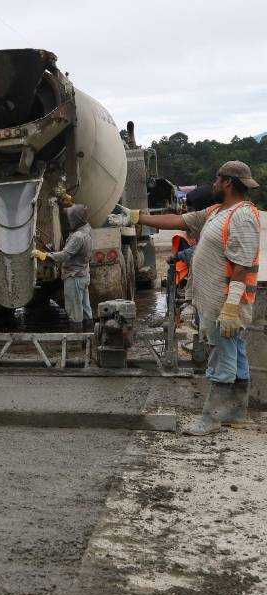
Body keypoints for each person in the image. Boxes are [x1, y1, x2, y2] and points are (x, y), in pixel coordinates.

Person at [108, 160, 261, 436]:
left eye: (217, 179)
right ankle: (237, 413)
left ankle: (211, 419)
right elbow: (178, 220)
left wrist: (230, 307)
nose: (213, 184)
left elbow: (242, 265)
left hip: (225, 303)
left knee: (222, 358)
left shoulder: (242, 216)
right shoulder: (217, 212)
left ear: (228, 182)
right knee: (235, 355)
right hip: (219, 302)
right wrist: (136, 217)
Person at [32, 204, 93, 331]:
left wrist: (45, 255)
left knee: (74, 312)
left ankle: (76, 344)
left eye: (70, 217)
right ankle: (89, 339)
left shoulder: (77, 237)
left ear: (75, 220)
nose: (68, 220)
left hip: (74, 277)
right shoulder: (86, 229)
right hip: (83, 275)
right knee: (86, 309)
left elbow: (65, 255)